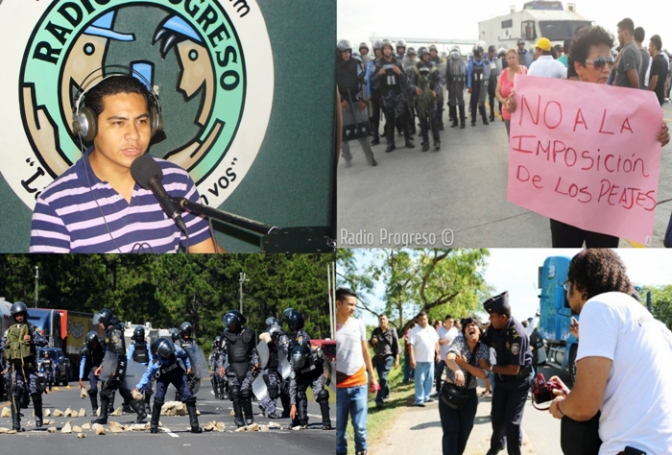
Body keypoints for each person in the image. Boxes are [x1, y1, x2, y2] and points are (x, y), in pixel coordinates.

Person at [506, 26, 670, 247]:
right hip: (564, 210)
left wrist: (657, 136)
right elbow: (530, 118)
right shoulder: (556, 102)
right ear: (579, 66)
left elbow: (637, 149)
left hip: (606, 214)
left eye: (610, 61)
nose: (606, 69)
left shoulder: (626, 107)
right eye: (599, 62)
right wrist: (516, 105)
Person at [29, 75, 216, 253]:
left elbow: (209, 257)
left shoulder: (177, 182)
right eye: (119, 123)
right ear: (88, 127)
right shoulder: (55, 203)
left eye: (142, 121)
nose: (134, 135)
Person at [549, 249, 672, 454]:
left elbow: (583, 407)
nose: (567, 291)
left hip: (630, 448)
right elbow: (631, 392)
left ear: (578, 285)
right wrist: (574, 396)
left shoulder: (598, 305)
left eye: (567, 285)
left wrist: (561, 406)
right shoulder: (652, 322)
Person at [481, 292, 533, 455]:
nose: (490, 320)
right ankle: (497, 445)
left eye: (493, 317)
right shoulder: (494, 329)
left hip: (518, 382)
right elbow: (483, 342)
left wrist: (489, 367)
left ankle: (514, 452)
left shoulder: (518, 334)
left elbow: (514, 369)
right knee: (496, 417)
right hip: (502, 380)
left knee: (512, 423)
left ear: (503, 317)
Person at [439, 315, 490, 455]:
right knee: (451, 432)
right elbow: (450, 357)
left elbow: (483, 374)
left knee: (464, 432)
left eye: (474, 325)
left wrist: (464, 365)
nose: (471, 327)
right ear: (464, 331)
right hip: (450, 394)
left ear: (480, 330)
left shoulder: (484, 348)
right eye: (468, 326)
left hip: (469, 397)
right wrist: (457, 369)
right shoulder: (459, 340)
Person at [336, 288, 377, 455]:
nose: (353, 308)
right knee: (339, 432)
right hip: (338, 386)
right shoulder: (333, 327)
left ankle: (362, 451)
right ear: (338, 303)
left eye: (355, 305)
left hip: (359, 382)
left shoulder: (358, 324)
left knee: (360, 428)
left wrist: (373, 378)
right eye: (350, 304)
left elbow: (365, 351)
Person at [133, 337, 202, 434]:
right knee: (158, 398)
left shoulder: (176, 350)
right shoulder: (154, 363)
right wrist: (138, 387)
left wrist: (188, 367)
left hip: (177, 374)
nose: (169, 355)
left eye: (170, 353)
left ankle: (195, 426)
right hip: (163, 377)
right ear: (159, 354)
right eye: (166, 354)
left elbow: (185, 355)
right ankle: (154, 425)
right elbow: (146, 376)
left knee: (188, 396)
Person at [90, 308, 146, 425]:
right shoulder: (111, 331)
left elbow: (119, 351)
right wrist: (102, 366)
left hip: (117, 365)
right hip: (115, 364)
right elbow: (110, 352)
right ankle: (141, 412)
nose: (99, 325)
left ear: (105, 321)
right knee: (124, 390)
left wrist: (115, 369)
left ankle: (103, 417)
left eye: (101, 322)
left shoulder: (115, 332)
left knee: (105, 389)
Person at [0, 302, 48, 431]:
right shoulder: (9, 331)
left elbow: (44, 341)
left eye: (21, 315)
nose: (20, 318)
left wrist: (32, 340)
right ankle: (16, 423)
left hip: (30, 366)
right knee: (16, 393)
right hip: (15, 367)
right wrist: (7, 345)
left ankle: (38, 417)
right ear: (13, 317)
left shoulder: (31, 328)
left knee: (35, 391)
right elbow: (2, 347)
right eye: (17, 315)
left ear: (25, 315)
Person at [338, 40, 377, 168]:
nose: (347, 54)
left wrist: (363, 99)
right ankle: (347, 158)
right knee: (343, 135)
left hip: (356, 100)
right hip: (343, 104)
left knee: (363, 132)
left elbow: (363, 81)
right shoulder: (334, 66)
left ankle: (370, 158)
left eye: (348, 51)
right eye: (344, 52)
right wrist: (341, 100)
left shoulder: (357, 63)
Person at [372, 39, 415, 153]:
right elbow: (372, 81)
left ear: (391, 50)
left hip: (398, 95)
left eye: (388, 48)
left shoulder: (397, 62)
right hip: (386, 96)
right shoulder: (378, 63)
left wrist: (399, 72)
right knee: (389, 120)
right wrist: (378, 74)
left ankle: (407, 140)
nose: (387, 51)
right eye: (384, 49)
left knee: (404, 118)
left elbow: (406, 80)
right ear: (382, 50)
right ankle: (390, 143)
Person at [221, 310, 258, 427]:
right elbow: (222, 352)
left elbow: (254, 350)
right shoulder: (226, 336)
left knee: (246, 393)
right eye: (229, 325)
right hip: (232, 367)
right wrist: (221, 365)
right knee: (235, 393)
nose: (230, 327)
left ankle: (249, 417)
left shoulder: (248, 334)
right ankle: (239, 418)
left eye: (232, 325)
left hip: (247, 366)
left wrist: (256, 362)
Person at [409, 47, 442, 152]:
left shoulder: (432, 67)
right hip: (420, 100)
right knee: (423, 122)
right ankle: (425, 142)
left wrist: (436, 91)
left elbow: (439, 81)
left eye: (428, 54)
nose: (427, 56)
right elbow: (410, 83)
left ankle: (437, 141)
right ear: (420, 56)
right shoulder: (415, 68)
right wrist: (415, 89)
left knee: (433, 121)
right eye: (425, 55)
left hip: (431, 98)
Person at [408, 311, 440, 406]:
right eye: (421, 320)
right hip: (419, 360)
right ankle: (419, 399)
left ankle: (426, 397)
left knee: (429, 380)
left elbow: (436, 342)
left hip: (430, 359)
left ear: (427, 319)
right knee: (419, 380)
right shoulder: (414, 331)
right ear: (418, 320)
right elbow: (410, 345)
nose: (423, 321)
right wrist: (412, 358)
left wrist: (438, 354)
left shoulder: (431, 329)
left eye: (424, 319)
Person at [496, 48, 528, 138]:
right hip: (508, 111)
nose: (511, 60)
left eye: (513, 57)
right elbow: (497, 92)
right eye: (509, 58)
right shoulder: (503, 73)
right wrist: (504, 101)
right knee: (511, 139)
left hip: (522, 111)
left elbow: (529, 88)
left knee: (523, 138)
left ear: (517, 58)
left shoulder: (524, 70)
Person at [369, 314, 399, 407]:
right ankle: (386, 394)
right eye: (380, 319)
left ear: (387, 321)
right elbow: (370, 345)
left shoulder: (392, 331)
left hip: (388, 356)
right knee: (382, 377)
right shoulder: (375, 331)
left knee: (383, 377)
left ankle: (379, 399)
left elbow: (396, 346)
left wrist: (397, 359)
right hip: (378, 357)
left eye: (384, 319)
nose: (382, 321)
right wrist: (372, 342)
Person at [127, 325, 154, 409]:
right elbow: (128, 359)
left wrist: (152, 369)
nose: (139, 339)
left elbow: (151, 358)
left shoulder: (147, 346)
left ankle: (147, 403)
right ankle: (141, 404)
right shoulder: (132, 346)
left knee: (148, 388)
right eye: (137, 338)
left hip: (146, 368)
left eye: (140, 337)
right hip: (136, 369)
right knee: (139, 388)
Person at [79, 331, 105, 415]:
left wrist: (101, 367)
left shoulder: (102, 345)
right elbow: (82, 363)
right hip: (92, 367)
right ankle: (95, 408)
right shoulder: (85, 350)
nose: (93, 346)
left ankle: (106, 407)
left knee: (106, 388)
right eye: (91, 344)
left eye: (94, 343)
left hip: (103, 366)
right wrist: (80, 378)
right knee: (93, 389)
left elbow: (107, 356)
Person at [612, 18, 642, 89]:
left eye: (619, 32)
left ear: (625, 32)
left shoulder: (629, 51)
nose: (617, 36)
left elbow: (635, 83)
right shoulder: (632, 48)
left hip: (623, 97)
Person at [467, 43, 490, 126]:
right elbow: (469, 75)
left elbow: (486, 74)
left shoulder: (483, 62)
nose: (482, 53)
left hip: (481, 85)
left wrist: (486, 82)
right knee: (474, 103)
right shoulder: (471, 63)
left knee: (482, 102)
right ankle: (473, 120)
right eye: (480, 52)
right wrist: (469, 86)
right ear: (476, 52)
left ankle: (485, 119)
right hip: (474, 86)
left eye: (482, 52)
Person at [436, 315, 459, 395]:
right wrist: (444, 341)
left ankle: (451, 390)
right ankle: (438, 390)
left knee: (452, 374)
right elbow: (436, 342)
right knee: (438, 374)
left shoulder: (455, 330)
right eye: (449, 322)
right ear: (445, 322)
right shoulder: (440, 330)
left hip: (452, 357)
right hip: (442, 356)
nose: (451, 323)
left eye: (452, 322)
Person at [366, 40, 383, 146]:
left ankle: (389, 135)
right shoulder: (371, 63)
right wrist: (368, 94)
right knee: (374, 116)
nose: (378, 52)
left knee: (389, 114)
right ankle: (375, 137)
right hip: (375, 92)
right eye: (376, 50)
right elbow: (367, 79)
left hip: (385, 93)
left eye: (379, 50)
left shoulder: (387, 62)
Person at [446, 46, 467, 129]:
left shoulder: (462, 61)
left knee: (461, 102)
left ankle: (462, 122)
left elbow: (464, 73)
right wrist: (448, 83)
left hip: (459, 84)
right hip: (452, 83)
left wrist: (464, 84)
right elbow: (447, 72)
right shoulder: (449, 61)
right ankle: (455, 121)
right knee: (452, 102)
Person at [648, 35, 668, 106]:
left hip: (654, 98)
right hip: (660, 97)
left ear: (653, 47)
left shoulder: (656, 60)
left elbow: (654, 80)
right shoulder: (664, 60)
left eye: (649, 46)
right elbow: (665, 80)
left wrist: (648, 92)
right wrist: (664, 92)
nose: (648, 49)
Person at [486, 45, 503, 121]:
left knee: (499, 98)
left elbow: (499, 70)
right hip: (489, 82)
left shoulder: (496, 60)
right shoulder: (486, 61)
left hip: (496, 81)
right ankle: (492, 115)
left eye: (494, 52)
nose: (493, 53)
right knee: (491, 99)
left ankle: (502, 114)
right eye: (492, 52)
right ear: (489, 52)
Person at [209, 336, 227, 400]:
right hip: (218, 367)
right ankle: (217, 393)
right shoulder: (215, 351)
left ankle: (226, 392)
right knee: (216, 379)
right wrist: (212, 368)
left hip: (226, 366)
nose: (219, 344)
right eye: (218, 342)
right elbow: (213, 359)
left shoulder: (226, 348)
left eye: (220, 342)